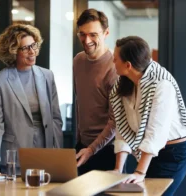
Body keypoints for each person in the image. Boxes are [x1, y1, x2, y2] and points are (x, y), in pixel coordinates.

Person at [110, 36, 186, 196]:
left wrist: (140, 173)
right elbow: (122, 127)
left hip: (174, 153)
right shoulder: (124, 84)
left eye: (115, 59)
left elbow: (156, 133)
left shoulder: (162, 84)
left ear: (128, 65)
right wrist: (118, 169)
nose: (113, 62)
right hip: (150, 153)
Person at [0, 24, 63, 174]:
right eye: (25, 48)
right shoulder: (0, 80)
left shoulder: (47, 76)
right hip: (14, 155)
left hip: (46, 154)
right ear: (14, 51)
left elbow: (56, 119)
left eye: (33, 46)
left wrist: (58, 153)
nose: (32, 52)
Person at [73, 9, 118, 175]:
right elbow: (81, 102)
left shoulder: (114, 67)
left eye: (93, 34)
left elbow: (115, 121)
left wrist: (92, 149)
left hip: (107, 150)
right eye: (82, 34)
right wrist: (80, 143)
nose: (87, 40)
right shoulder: (78, 60)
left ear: (106, 33)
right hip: (82, 146)